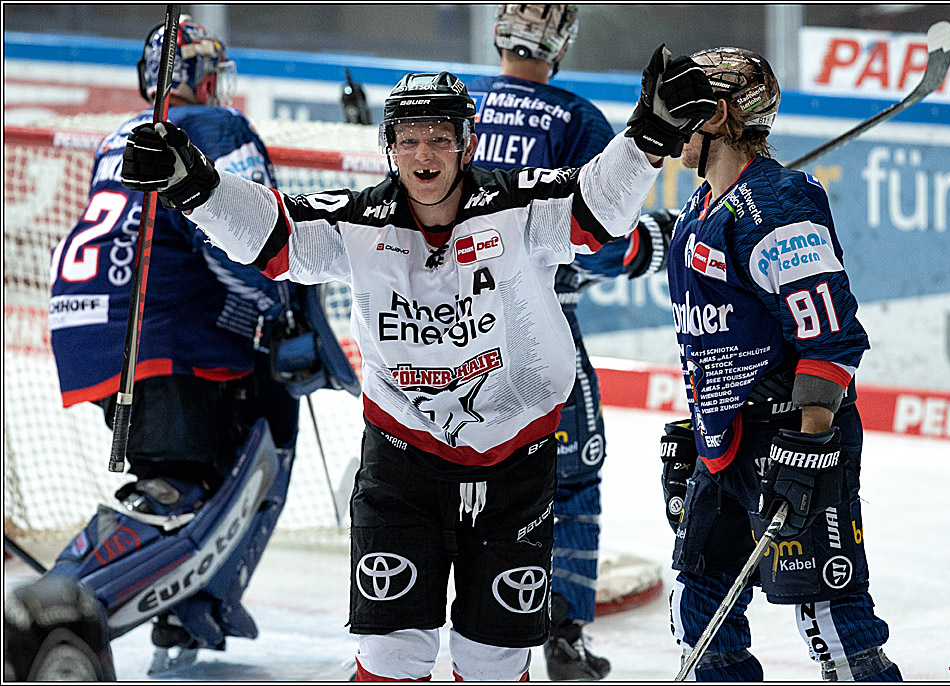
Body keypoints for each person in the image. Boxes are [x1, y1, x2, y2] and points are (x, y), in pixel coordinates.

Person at [119, 45, 716, 681]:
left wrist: (649, 136)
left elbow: (599, 209)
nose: (424, 155)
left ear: (467, 141)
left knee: (495, 659)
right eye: (409, 140)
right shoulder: (359, 219)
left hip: (515, 462)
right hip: (401, 463)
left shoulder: (521, 206)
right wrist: (193, 185)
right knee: (390, 654)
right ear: (390, 146)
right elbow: (273, 234)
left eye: (439, 138)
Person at [5, 18, 357, 680]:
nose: (218, 87)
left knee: (191, 474)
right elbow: (237, 239)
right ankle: (55, 615)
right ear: (196, 77)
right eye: (210, 73)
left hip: (97, 325)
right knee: (173, 490)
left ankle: (187, 603)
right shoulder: (218, 130)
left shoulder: (120, 135)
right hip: (161, 330)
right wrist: (274, 319)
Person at [659, 47, 902, 680]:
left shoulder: (779, 204)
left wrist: (808, 446)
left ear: (716, 115)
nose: (664, 120)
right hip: (729, 441)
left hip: (789, 438)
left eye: (680, 106)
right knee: (699, 602)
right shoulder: (703, 209)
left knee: (829, 615)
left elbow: (829, 337)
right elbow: (718, 336)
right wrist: (703, 424)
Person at [467, 5, 677, 680]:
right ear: (562, 40)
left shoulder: (453, 105)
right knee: (574, 470)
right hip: (536, 326)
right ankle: (561, 634)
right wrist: (656, 242)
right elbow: (601, 243)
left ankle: (465, 622)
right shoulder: (574, 120)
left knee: (459, 472)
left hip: (444, 329)